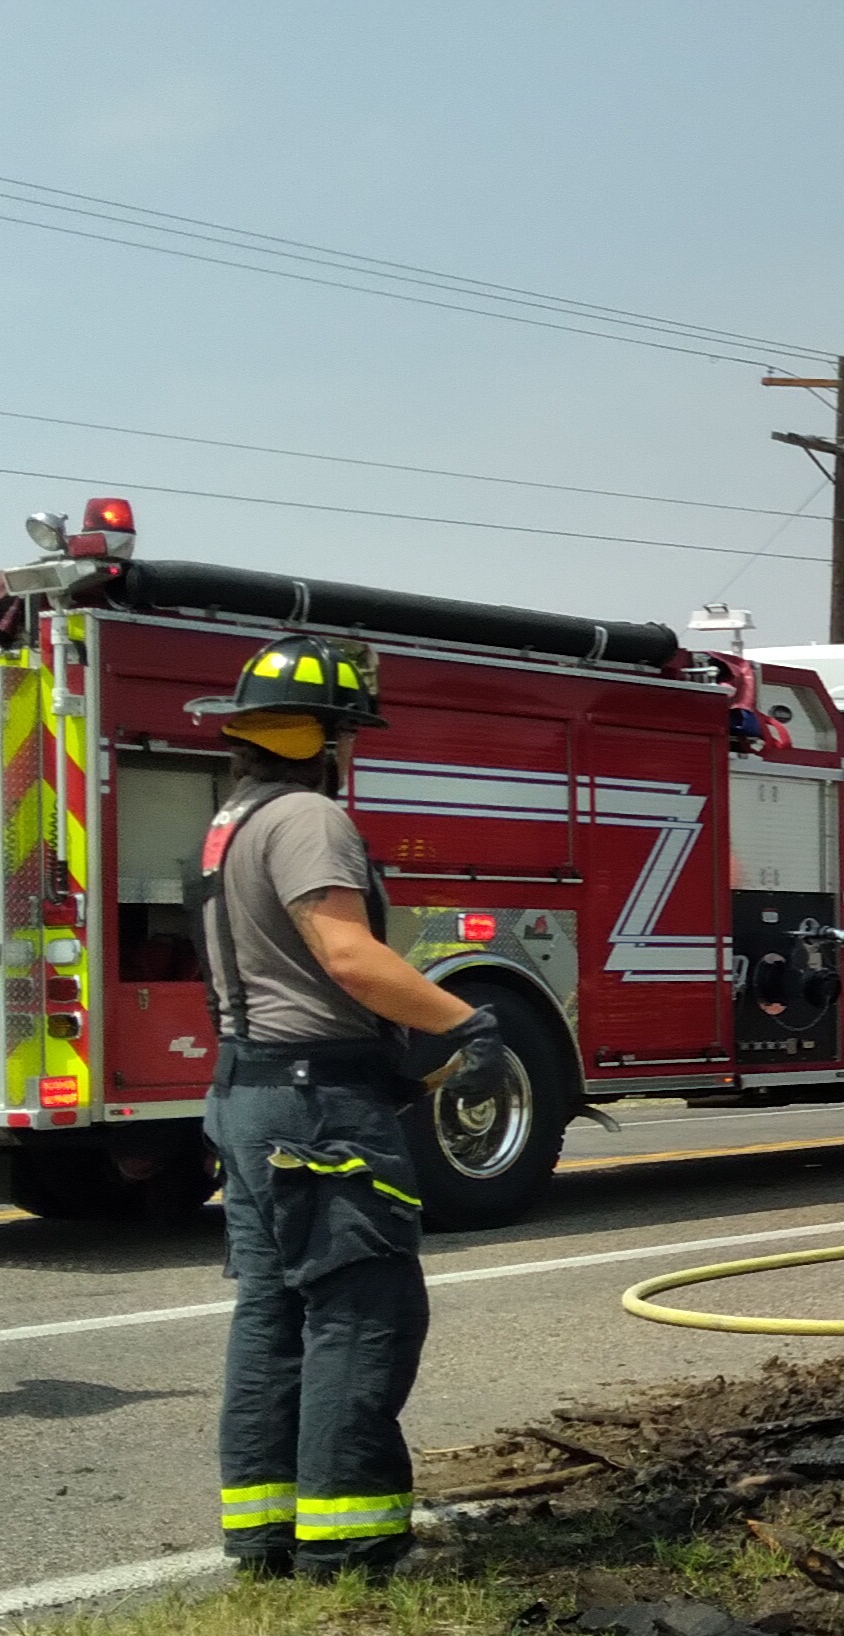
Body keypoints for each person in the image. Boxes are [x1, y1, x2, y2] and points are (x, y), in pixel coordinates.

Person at [188, 635, 509, 1582]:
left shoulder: (234, 816)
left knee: (273, 1313)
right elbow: (348, 957)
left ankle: (265, 1534)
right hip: (316, 1101)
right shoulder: (309, 817)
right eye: (345, 731)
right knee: (361, 1313)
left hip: (247, 1091)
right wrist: (467, 1024)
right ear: (321, 736)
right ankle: (353, 1544)